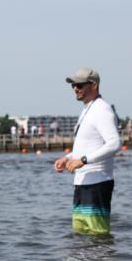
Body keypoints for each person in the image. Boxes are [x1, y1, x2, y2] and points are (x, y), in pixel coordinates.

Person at [54, 68, 122, 235]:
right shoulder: (87, 109)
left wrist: (82, 160)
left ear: (94, 85)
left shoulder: (102, 109)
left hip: (97, 182)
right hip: (82, 182)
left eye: (79, 85)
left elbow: (114, 144)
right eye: (73, 85)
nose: (75, 88)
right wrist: (68, 157)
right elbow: (88, 144)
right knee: (80, 235)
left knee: (97, 236)